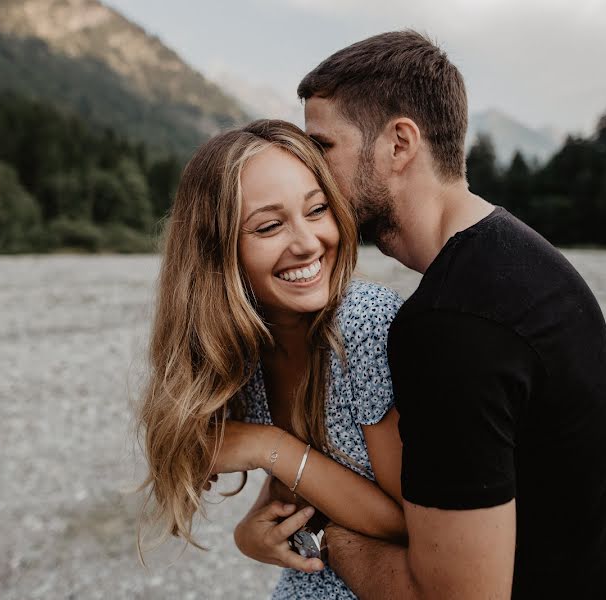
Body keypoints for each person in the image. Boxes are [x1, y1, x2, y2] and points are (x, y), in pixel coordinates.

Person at [256, 30, 606, 599]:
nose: (313, 171)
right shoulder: (521, 258)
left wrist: (322, 536)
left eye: (323, 146)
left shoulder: (451, 327)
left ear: (399, 143)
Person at [136, 119, 407, 599]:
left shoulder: (362, 324)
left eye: (317, 209)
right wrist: (249, 534)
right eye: (269, 226)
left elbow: (408, 518)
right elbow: (307, 487)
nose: (306, 242)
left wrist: (266, 445)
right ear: (218, 252)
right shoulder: (245, 348)